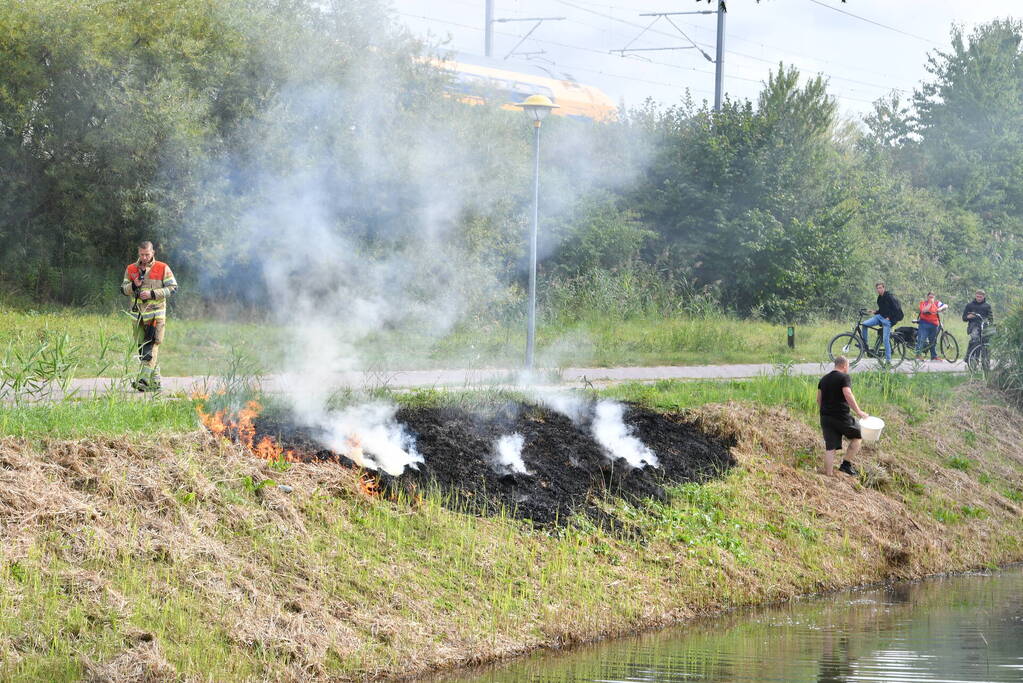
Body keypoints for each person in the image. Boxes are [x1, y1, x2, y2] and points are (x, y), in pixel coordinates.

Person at [120, 241, 178, 392]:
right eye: (141, 254)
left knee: (151, 346)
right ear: (138, 253)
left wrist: (152, 294)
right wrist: (133, 285)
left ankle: (143, 381)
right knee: (142, 348)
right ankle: (156, 381)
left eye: (147, 254)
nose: (144, 257)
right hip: (137, 315)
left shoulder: (162, 267)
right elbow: (123, 289)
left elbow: (173, 288)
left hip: (156, 315)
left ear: (153, 253)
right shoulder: (131, 268)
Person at [817, 356, 868, 477]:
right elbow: (848, 394)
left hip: (825, 417)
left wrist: (826, 413)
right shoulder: (844, 377)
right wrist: (859, 412)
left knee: (830, 447)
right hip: (841, 416)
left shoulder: (823, 379)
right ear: (844, 365)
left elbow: (819, 400)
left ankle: (828, 476)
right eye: (848, 366)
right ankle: (846, 465)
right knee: (859, 435)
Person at [861, 282, 900, 362]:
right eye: (877, 288)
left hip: (887, 321)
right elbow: (882, 310)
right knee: (864, 324)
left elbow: (896, 309)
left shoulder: (889, 297)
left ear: (884, 288)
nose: (879, 289)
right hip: (880, 317)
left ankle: (888, 361)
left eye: (880, 288)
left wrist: (889, 318)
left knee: (885, 340)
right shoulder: (879, 298)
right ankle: (865, 345)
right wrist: (874, 312)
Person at [915, 291, 948, 361]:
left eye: (932, 297)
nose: (931, 298)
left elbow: (945, 305)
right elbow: (924, 310)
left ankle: (933, 356)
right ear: (927, 297)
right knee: (921, 340)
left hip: (934, 324)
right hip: (924, 324)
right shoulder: (923, 303)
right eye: (930, 297)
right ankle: (918, 355)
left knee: (933, 341)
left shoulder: (937, 303)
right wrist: (930, 303)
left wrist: (940, 308)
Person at [963, 289, 993, 360]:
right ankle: (971, 359)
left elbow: (991, 318)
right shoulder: (970, 305)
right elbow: (964, 318)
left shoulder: (987, 306)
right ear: (975, 296)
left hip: (985, 327)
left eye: (980, 297)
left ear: (984, 297)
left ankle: (985, 364)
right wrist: (968, 317)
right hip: (974, 326)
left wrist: (988, 323)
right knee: (975, 341)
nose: (979, 298)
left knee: (986, 345)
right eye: (977, 296)